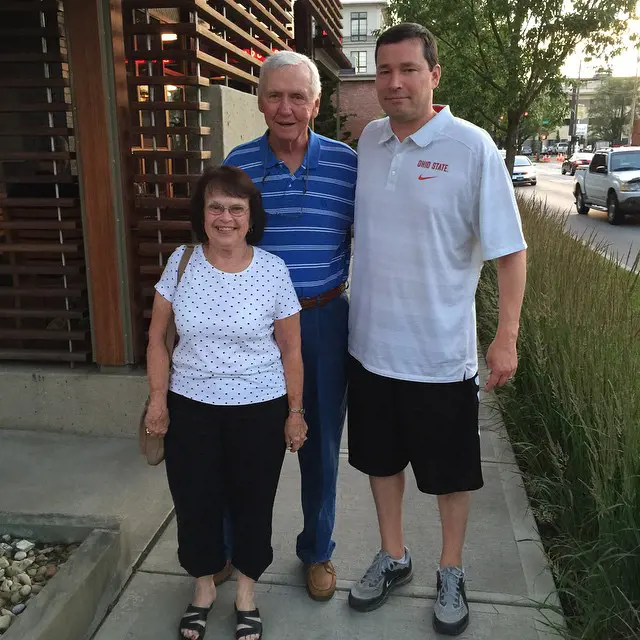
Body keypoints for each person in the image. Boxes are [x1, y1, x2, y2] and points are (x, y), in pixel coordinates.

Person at [346, 23, 528, 636]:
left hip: (440, 355)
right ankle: (394, 555)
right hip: (369, 347)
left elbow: (509, 250)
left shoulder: (473, 148)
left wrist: (506, 335)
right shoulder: (370, 140)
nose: (394, 83)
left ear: (434, 75)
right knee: (380, 462)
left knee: (451, 474)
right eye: (384, 72)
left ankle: (451, 568)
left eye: (408, 70)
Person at [145, 165, 307, 640]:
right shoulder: (181, 262)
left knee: (253, 501)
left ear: (251, 216)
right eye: (215, 206)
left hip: (260, 407)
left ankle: (246, 593)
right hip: (191, 405)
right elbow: (156, 339)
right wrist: (159, 400)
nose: (225, 217)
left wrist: (295, 412)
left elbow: (292, 349)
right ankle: (203, 588)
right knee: (195, 500)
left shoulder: (273, 271)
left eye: (237, 208)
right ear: (202, 212)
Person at [223, 50, 357, 602]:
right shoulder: (237, 164)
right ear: (259, 100)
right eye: (275, 95)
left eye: (297, 96)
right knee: (248, 444)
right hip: (255, 328)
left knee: (321, 446)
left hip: (324, 320)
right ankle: (238, 547)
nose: (285, 107)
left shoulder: (348, 164)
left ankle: (317, 550)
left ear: (316, 103)